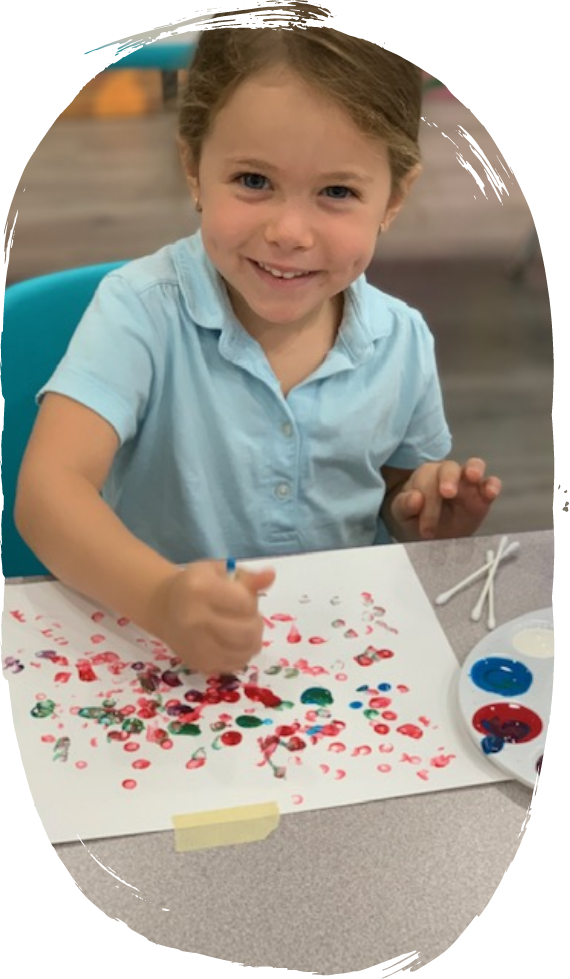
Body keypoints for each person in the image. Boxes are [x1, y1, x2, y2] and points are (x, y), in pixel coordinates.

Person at [14, 11, 501, 675]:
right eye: (253, 181)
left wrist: (424, 511)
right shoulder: (140, 312)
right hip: (160, 656)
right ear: (193, 166)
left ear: (393, 197)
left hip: (339, 660)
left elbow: (390, 490)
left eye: (337, 191)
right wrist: (160, 595)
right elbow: (47, 490)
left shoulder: (402, 339)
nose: (289, 231)